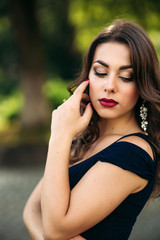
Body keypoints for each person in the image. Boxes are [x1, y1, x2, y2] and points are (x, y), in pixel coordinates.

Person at [23, 19, 160, 240]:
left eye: (127, 76)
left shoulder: (133, 153)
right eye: (101, 71)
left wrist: (59, 135)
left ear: (143, 84)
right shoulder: (85, 137)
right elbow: (31, 210)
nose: (110, 86)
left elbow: (55, 230)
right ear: (88, 76)